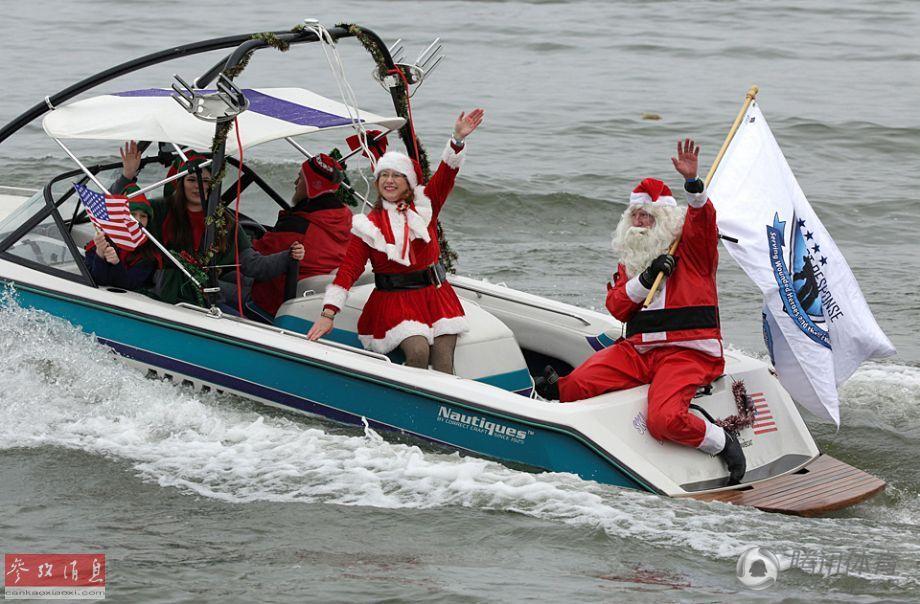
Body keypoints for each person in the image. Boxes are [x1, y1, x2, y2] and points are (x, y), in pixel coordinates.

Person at [535, 138, 746, 485]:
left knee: (662, 419)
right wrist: (646, 277)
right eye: (635, 214)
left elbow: (703, 222)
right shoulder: (632, 260)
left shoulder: (693, 251)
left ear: (664, 220)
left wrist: (694, 187)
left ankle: (721, 440)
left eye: (647, 216)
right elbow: (618, 307)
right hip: (639, 352)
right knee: (571, 387)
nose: (639, 221)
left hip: (687, 354)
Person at [306, 109, 485, 373]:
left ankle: (441, 408)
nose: (389, 181)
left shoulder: (426, 205)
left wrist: (457, 139)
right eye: (384, 176)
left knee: (444, 358)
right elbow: (349, 270)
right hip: (395, 302)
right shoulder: (369, 225)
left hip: (436, 297)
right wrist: (328, 314)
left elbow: (446, 174)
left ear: (408, 182)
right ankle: (409, 408)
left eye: (396, 175)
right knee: (418, 350)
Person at [115, 141, 303, 309]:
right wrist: (127, 175)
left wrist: (288, 256)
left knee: (247, 298)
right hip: (163, 295)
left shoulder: (224, 221)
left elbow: (252, 264)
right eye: (190, 180)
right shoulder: (159, 209)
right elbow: (115, 215)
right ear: (180, 183)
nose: (198, 185)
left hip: (204, 295)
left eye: (205, 180)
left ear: (212, 185)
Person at [247, 153, 353, 318]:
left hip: (273, 303)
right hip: (314, 297)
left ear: (313, 185)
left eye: (301, 178)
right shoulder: (344, 218)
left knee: (220, 288)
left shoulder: (297, 226)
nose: (296, 183)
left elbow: (254, 261)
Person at [83, 183, 160, 290]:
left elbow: (129, 285)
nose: (137, 220)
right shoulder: (101, 240)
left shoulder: (149, 253)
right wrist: (100, 254)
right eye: (132, 214)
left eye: (143, 216)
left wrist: (116, 263)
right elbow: (97, 281)